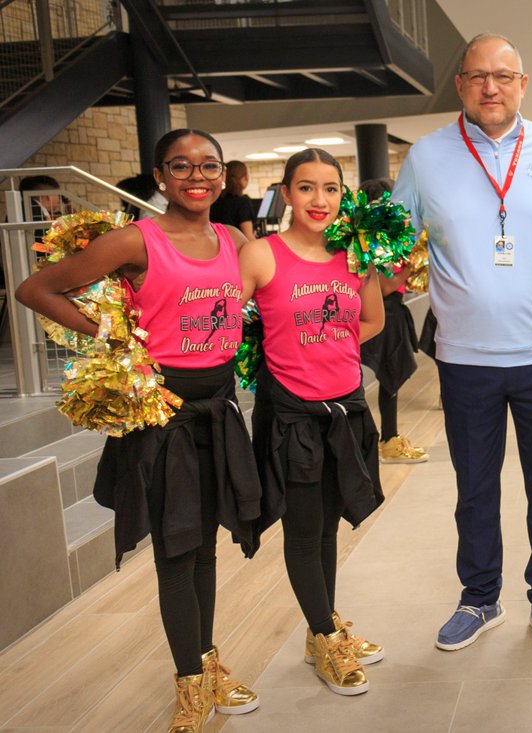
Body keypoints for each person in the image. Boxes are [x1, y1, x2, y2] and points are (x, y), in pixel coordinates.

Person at [16, 129, 261, 733]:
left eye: (209, 165)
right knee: (177, 550)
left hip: (220, 408)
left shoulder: (231, 238)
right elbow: (36, 288)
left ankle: (204, 664)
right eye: (182, 166)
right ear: (160, 176)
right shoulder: (135, 239)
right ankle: (189, 685)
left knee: (203, 543)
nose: (197, 176)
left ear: (223, 173)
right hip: (163, 416)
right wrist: (112, 339)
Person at [393, 32, 532, 655]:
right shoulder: (425, 156)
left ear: (523, 84)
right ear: (461, 85)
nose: (491, 87)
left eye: (504, 76)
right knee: (474, 486)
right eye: (478, 76)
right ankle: (479, 598)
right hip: (466, 358)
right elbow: (394, 245)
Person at [240, 148, 388, 696]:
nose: (319, 200)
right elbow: (225, 324)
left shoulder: (355, 255)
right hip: (292, 418)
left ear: (343, 195)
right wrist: (289, 356)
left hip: (344, 410)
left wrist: (330, 349)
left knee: (328, 524)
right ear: (285, 192)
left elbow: (371, 320)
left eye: (330, 188)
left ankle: (319, 628)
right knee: (303, 530)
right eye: (306, 188)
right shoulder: (259, 255)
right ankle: (327, 639)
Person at [357, 176, 428, 464]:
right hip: (384, 313)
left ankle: (385, 439)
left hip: (384, 312)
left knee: (385, 380)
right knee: (388, 378)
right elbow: (385, 286)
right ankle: (386, 440)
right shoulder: (374, 241)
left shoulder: (372, 238)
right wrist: (407, 267)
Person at [210, 160, 256, 240]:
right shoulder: (243, 202)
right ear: (245, 178)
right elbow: (248, 236)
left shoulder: (214, 200)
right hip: (236, 249)